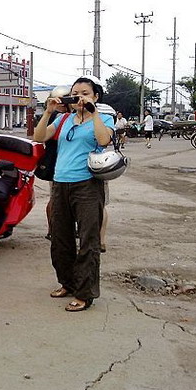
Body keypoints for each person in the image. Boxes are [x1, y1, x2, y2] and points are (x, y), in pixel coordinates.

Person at [33, 76, 114, 312]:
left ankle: (84, 293)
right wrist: (48, 112)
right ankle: (67, 283)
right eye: (75, 92)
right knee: (60, 239)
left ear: (95, 96)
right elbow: (39, 137)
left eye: (85, 93)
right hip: (60, 184)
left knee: (89, 241)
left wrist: (93, 113)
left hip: (87, 185)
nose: (79, 96)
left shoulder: (104, 118)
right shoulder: (64, 119)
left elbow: (103, 139)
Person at [42, 85, 72, 241]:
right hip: (57, 163)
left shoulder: (61, 116)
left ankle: (54, 229)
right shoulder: (58, 117)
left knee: (56, 199)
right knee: (56, 199)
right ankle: (53, 229)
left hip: (58, 162)